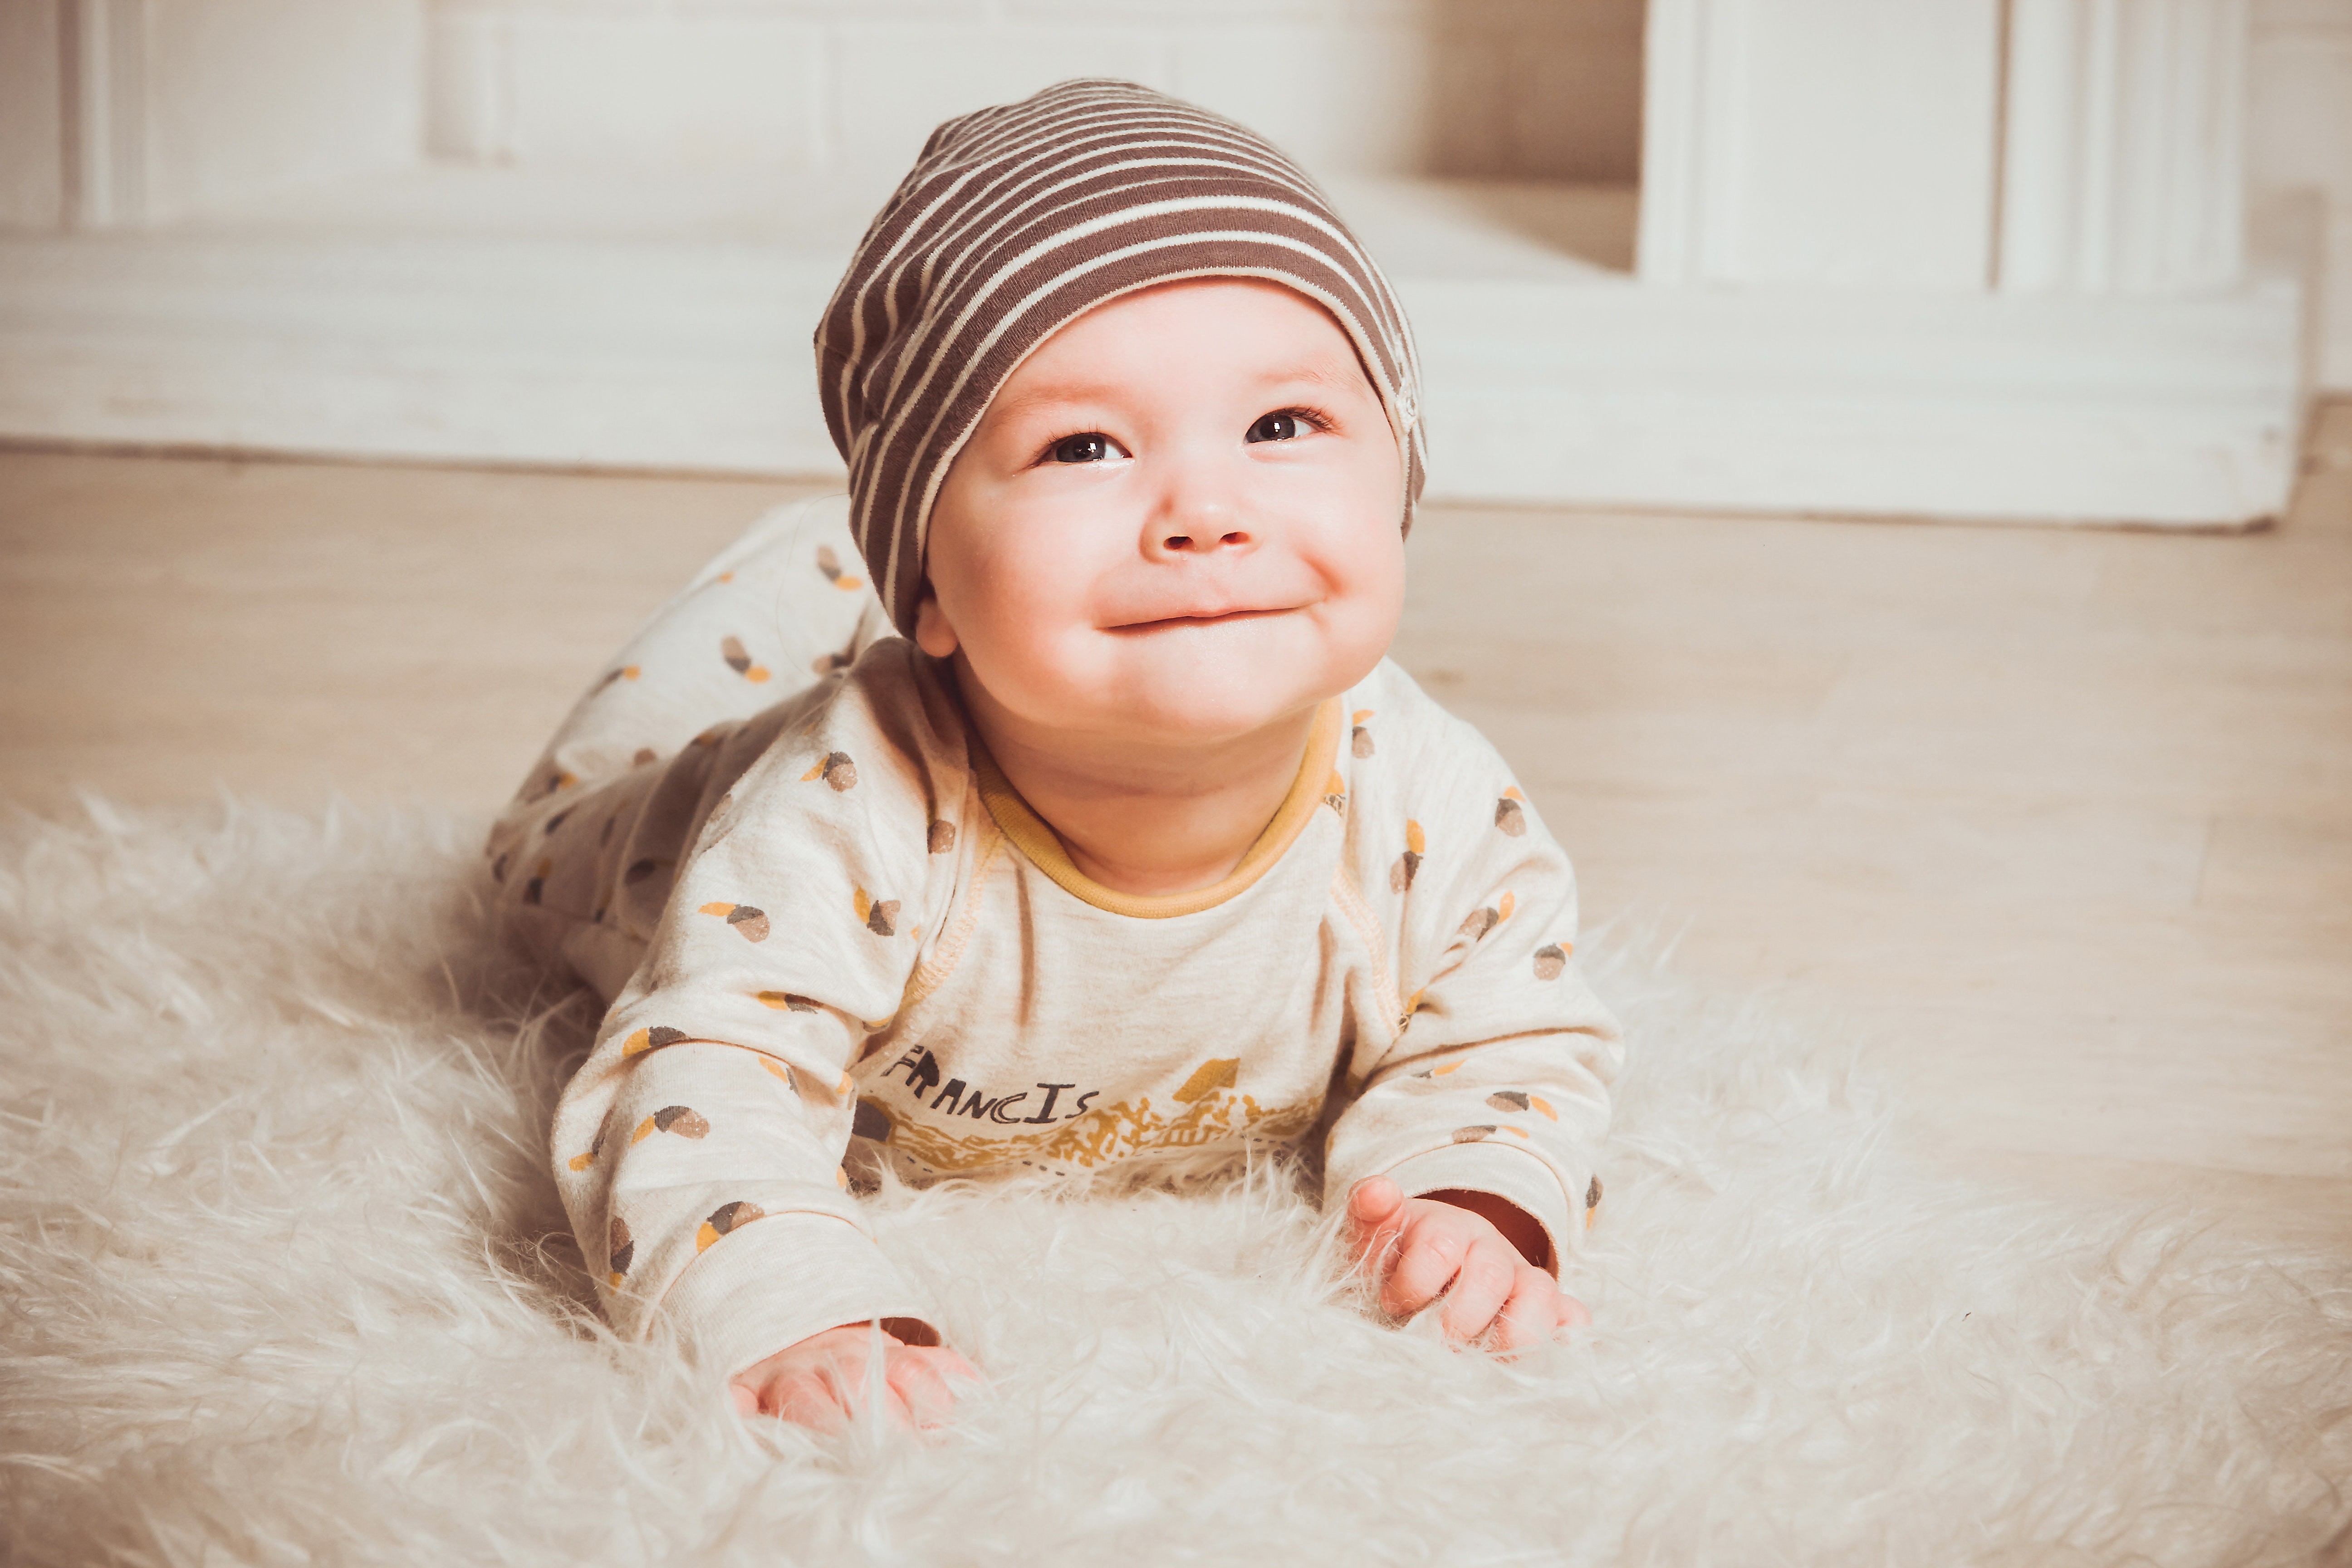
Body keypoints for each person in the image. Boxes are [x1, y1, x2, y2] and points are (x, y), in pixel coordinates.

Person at [487, 78, 1622, 1434]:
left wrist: (1471, 1194)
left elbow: (1513, 1032)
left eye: (1281, 428)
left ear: (1401, 483)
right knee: (568, 820)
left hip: (949, 621)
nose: (1205, 511)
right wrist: (800, 1305)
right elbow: (699, 1073)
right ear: (933, 591)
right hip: (650, 838)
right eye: (1084, 446)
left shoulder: (1425, 796)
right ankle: (816, 568)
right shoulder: (843, 802)